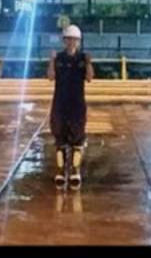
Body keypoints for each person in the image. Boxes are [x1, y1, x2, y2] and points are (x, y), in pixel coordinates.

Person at [47, 23, 93, 187]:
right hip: (60, 102)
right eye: (68, 39)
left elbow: (89, 78)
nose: (71, 42)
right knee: (60, 137)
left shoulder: (82, 58)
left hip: (77, 103)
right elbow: (50, 77)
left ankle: (75, 171)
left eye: (74, 40)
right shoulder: (58, 58)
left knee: (77, 138)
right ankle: (60, 172)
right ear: (64, 41)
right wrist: (51, 61)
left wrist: (88, 63)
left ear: (78, 41)